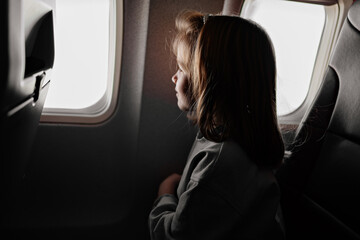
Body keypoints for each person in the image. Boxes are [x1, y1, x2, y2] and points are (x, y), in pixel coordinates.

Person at [149, 10, 285, 240]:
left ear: (207, 81)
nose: (174, 77)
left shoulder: (220, 163)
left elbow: (174, 237)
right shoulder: (228, 141)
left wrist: (165, 194)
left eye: (182, 69)